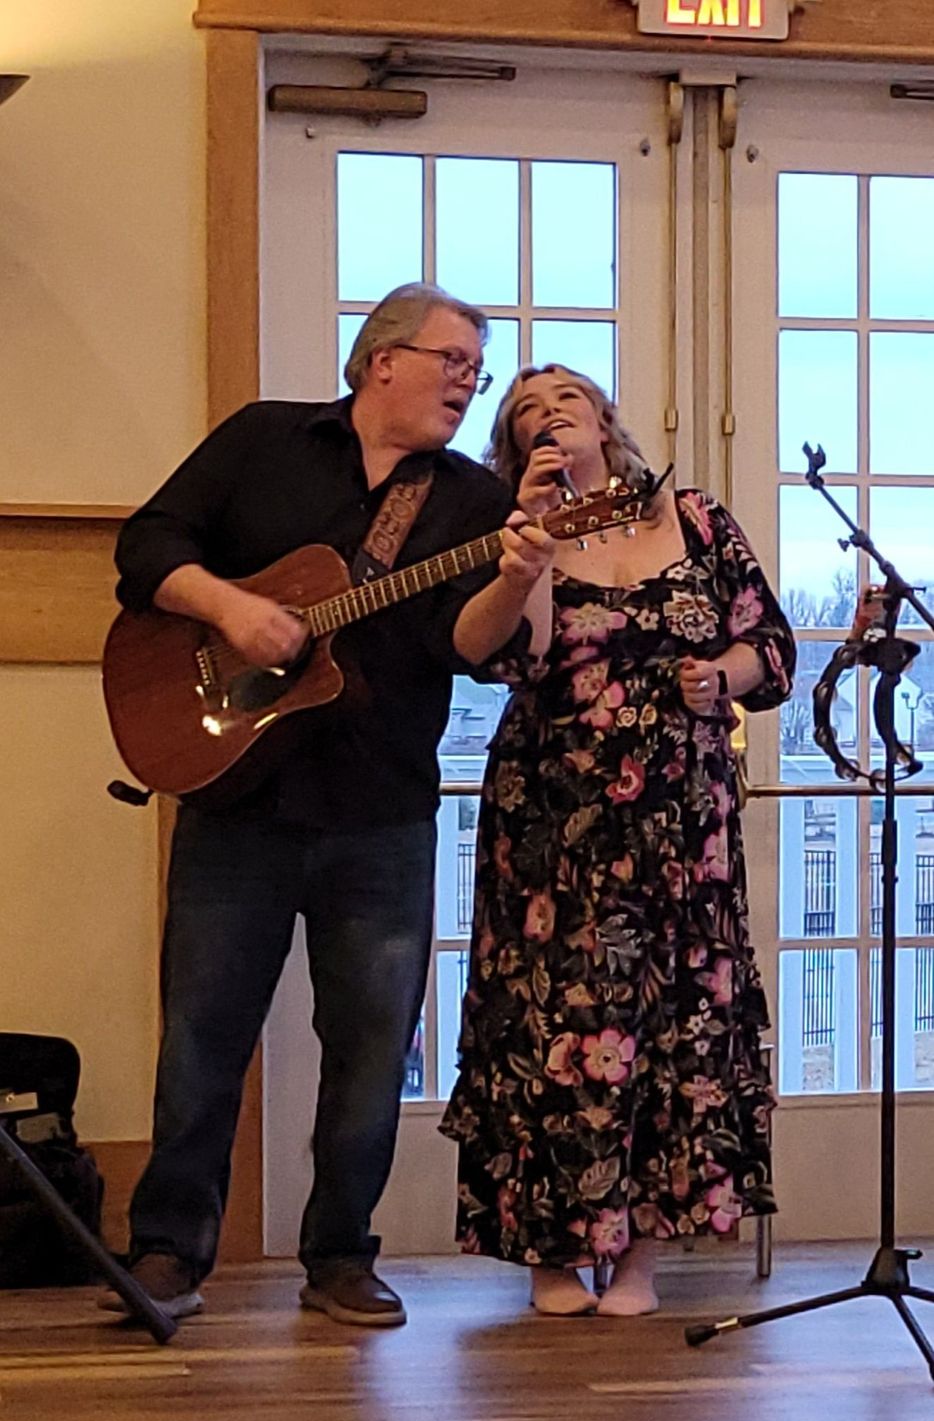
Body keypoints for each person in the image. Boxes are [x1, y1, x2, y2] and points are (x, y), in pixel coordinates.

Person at [100, 284, 553, 1327]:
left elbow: (466, 648)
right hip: (240, 802)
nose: (466, 384)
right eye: (451, 361)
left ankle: (342, 1255)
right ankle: (168, 1252)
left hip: (380, 810)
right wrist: (231, 609)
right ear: (382, 359)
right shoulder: (265, 440)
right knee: (202, 1036)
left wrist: (517, 573)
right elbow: (146, 546)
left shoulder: (472, 503)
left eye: (475, 370)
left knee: (371, 1048)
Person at [440, 364, 796, 1317]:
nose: (549, 413)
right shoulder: (519, 534)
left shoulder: (698, 518)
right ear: (515, 449)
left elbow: (769, 647)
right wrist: (529, 552)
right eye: (526, 411)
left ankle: (640, 1258)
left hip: (683, 826)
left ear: (603, 420)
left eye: (566, 397)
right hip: (555, 827)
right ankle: (550, 1256)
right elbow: (506, 658)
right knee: (555, 1026)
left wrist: (718, 677)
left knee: (673, 1027)